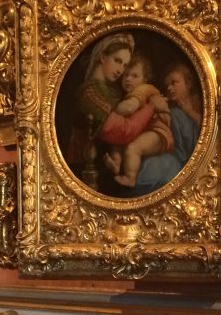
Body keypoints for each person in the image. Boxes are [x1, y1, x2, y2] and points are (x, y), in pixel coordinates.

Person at [70, 32, 165, 191]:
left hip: (107, 174)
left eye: (125, 65)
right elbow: (123, 131)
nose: (121, 70)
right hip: (86, 175)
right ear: (102, 57)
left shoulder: (113, 91)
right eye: (117, 61)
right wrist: (151, 106)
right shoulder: (90, 93)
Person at [103, 53, 174, 187]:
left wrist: (111, 110)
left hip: (158, 133)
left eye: (134, 76)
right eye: (126, 75)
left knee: (133, 148)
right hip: (140, 130)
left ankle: (130, 179)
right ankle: (116, 164)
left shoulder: (144, 89)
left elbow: (128, 108)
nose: (128, 79)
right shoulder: (127, 94)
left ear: (145, 79)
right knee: (117, 141)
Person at [133, 61, 202, 196]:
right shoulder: (171, 108)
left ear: (188, 83)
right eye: (167, 85)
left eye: (174, 83)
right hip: (170, 154)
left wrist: (189, 112)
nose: (169, 88)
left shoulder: (198, 101)